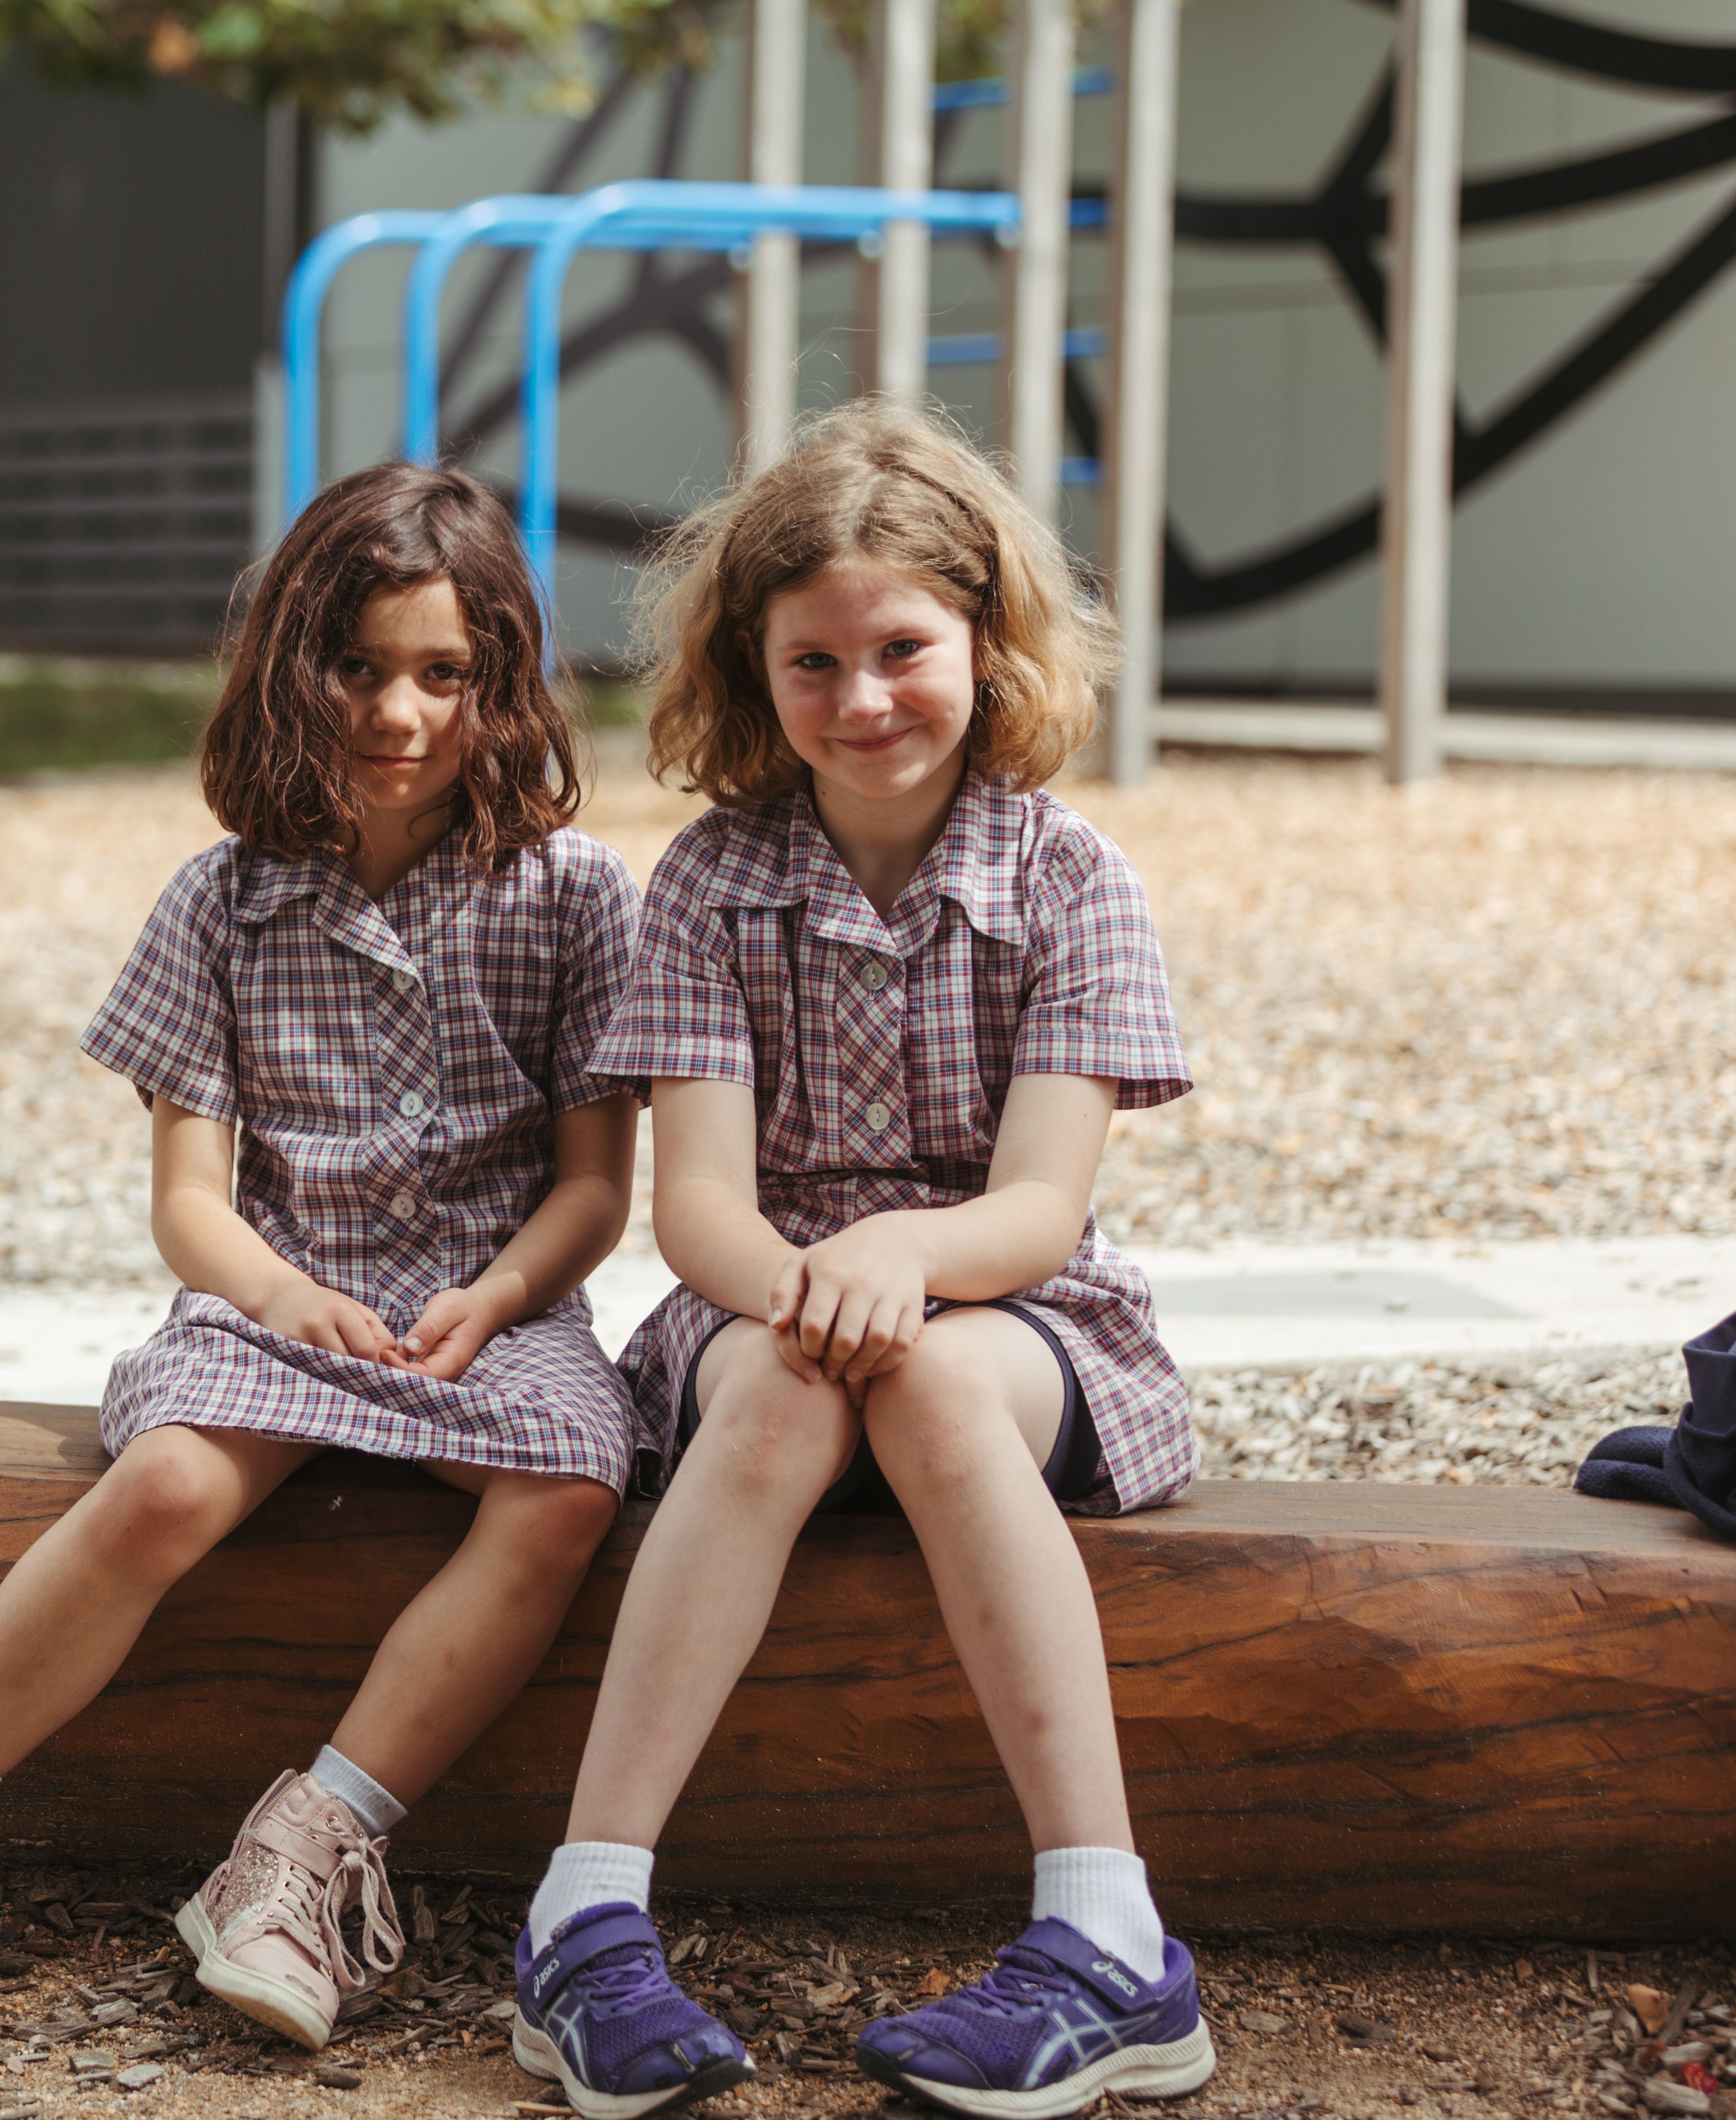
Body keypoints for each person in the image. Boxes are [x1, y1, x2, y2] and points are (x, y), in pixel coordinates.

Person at [0, 462, 645, 2049]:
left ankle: (306, 1846)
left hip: (498, 1305)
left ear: (502, 685)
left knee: (567, 1489)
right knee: (162, 1485)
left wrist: (506, 1293)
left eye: (443, 675)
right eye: (358, 667)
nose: (397, 713)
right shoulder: (222, 902)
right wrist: (279, 1296)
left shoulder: (575, 895)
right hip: (275, 1296)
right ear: (290, 664)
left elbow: (598, 1188)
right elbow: (189, 1199)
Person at [507, 404, 1213, 2120]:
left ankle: (1111, 1937)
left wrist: (898, 1254)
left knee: (940, 1373)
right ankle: (586, 1918)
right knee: (768, 1398)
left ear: (985, 639)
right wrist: (816, 1291)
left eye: (904, 648)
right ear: (756, 675)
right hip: (763, 1308)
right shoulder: (712, 885)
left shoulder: (1070, 879)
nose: (865, 697)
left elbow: (1040, 1209)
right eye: (812, 663)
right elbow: (704, 1217)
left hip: (1018, 1320)